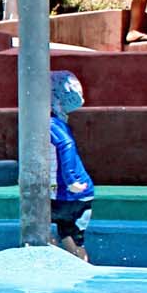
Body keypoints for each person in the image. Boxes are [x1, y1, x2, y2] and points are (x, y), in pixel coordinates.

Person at [50, 71, 95, 262]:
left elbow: (65, 146)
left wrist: (70, 180)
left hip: (65, 193)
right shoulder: (59, 122)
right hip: (82, 193)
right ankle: (81, 271)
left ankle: (52, 266)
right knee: (72, 239)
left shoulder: (49, 123)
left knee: (40, 232)